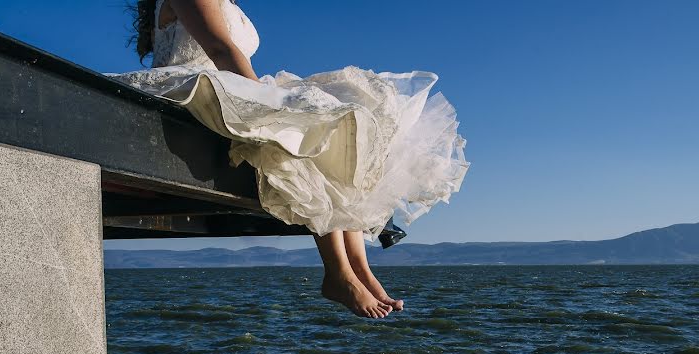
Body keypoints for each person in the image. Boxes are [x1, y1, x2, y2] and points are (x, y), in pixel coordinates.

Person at [115, 0, 469, 318]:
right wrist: (268, 103)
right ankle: (337, 272)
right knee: (308, 124)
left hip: (225, 84)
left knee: (351, 112)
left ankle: (360, 268)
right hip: (197, 91)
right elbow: (221, 50)